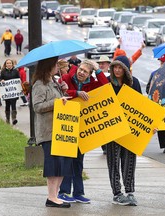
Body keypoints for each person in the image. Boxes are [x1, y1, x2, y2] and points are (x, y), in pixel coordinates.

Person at [58, 60, 108, 204]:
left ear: (89, 74)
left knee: (78, 161)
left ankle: (78, 193)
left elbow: (106, 87)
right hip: (67, 124)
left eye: (85, 71)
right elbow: (60, 91)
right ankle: (64, 192)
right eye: (80, 69)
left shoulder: (92, 83)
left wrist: (98, 70)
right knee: (67, 159)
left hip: (83, 127)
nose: (81, 72)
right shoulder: (66, 78)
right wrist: (76, 93)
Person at [32, 56, 72, 208]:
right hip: (48, 131)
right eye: (55, 64)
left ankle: (55, 196)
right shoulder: (40, 84)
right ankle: (51, 197)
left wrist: (63, 92)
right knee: (53, 164)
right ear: (48, 66)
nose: (57, 67)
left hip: (60, 130)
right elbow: (37, 106)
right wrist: (56, 102)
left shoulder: (54, 82)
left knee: (62, 165)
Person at [106, 55, 142, 206]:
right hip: (112, 129)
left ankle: (130, 191)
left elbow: (141, 105)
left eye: (120, 67)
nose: (117, 70)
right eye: (115, 67)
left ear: (126, 69)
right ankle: (117, 193)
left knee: (129, 161)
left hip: (130, 130)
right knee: (113, 162)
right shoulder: (107, 83)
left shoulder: (134, 83)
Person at [146, 54, 165, 153]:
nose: (162, 64)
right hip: (161, 103)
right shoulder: (155, 73)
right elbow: (148, 89)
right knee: (161, 126)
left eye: (164, 62)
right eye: (161, 62)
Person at [96, 55, 111, 154]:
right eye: (100, 63)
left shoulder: (111, 75)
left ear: (108, 64)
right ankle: (104, 146)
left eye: (103, 63)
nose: (101, 65)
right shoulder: (95, 75)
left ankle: (108, 146)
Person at [0, 59, 20, 124]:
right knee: (7, 105)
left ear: (12, 64)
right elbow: (0, 79)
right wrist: (1, 80)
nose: (9, 64)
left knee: (13, 104)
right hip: (6, 92)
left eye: (10, 63)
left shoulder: (15, 71)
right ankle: (7, 119)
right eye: (7, 63)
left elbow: (18, 80)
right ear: (5, 64)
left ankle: (14, 118)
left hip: (13, 92)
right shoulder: (3, 72)